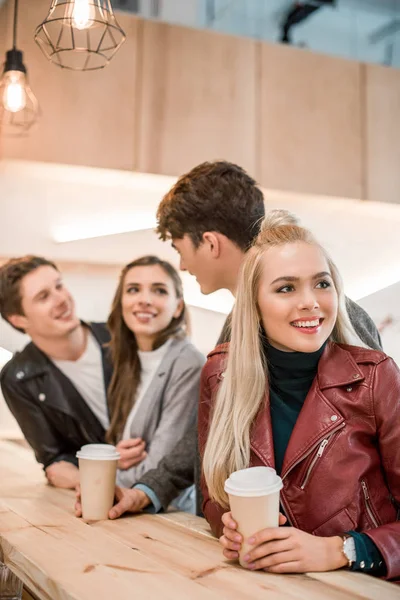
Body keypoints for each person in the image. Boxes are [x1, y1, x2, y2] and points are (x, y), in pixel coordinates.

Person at [87, 160, 382, 519]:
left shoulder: (335, 316)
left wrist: (352, 547)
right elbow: (212, 431)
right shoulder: (237, 327)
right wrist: (150, 489)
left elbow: (375, 432)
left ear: (210, 243)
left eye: (181, 250)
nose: (182, 265)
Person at [199, 210, 400, 581]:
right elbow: (211, 494)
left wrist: (342, 549)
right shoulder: (219, 375)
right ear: (254, 304)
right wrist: (226, 524)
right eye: (286, 288)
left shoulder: (376, 378)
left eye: (321, 284)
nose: (310, 301)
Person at [0, 256, 112, 489]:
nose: (61, 299)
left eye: (59, 285)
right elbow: (54, 460)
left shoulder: (123, 338)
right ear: (19, 319)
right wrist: (100, 481)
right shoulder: (17, 379)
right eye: (43, 296)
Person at [104, 255, 204, 500]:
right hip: (124, 505)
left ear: (177, 306)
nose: (144, 300)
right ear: (122, 302)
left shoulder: (188, 363)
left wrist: (102, 476)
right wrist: (112, 462)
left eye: (159, 291)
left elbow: (158, 466)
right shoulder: (124, 360)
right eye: (133, 289)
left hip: (166, 514)